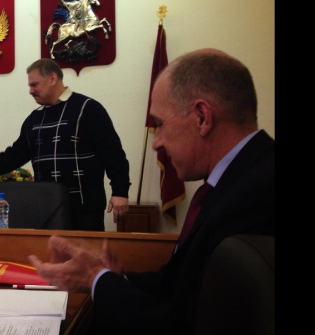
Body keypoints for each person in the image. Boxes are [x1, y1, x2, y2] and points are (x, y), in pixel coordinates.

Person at [27, 48, 275, 334]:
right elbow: (179, 284)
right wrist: (109, 277)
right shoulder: (238, 178)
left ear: (202, 117)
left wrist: (97, 280)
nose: (156, 143)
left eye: (160, 124)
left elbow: (184, 323)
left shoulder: (259, 195)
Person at [0, 58, 131, 231]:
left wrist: (120, 191)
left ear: (52, 78)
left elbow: (113, 154)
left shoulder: (88, 109)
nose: (30, 91)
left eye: (34, 84)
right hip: (46, 210)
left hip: (85, 210)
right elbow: (16, 154)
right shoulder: (34, 119)